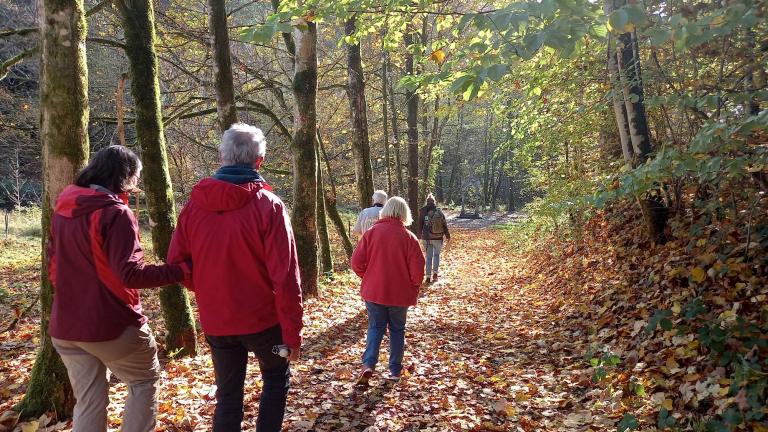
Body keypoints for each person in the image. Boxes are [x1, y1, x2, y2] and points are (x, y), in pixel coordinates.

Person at [168, 123, 303, 432]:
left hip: (218, 321)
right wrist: (292, 333)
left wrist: (207, 288)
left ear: (221, 157)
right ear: (260, 161)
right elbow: (285, 277)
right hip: (264, 323)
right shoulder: (269, 207)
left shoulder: (193, 208)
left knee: (228, 395)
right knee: (275, 379)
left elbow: (178, 264)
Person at [48, 146, 191, 432]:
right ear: (124, 176)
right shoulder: (115, 213)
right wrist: (180, 271)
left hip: (65, 327)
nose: (136, 182)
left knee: (88, 400)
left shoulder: (64, 208)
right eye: (135, 175)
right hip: (111, 325)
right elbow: (131, 274)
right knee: (144, 381)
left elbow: (54, 268)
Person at [351, 196, 425, 385]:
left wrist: (368, 277)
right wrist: (413, 287)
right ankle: (394, 370)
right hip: (400, 295)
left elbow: (356, 262)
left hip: (374, 292)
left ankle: (368, 365)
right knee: (397, 330)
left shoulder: (371, 233)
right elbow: (418, 270)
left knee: (375, 328)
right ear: (404, 213)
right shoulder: (410, 238)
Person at [417, 193, 450, 283]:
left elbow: (420, 225)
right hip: (438, 237)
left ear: (426, 202)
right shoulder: (439, 211)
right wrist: (447, 236)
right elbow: (444, 225)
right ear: (434, 202)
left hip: (426, 238)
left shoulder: (422, 211)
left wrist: (419, 237)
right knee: (436, 255)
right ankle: (435, 273)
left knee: (428, 257)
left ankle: (428, 276)